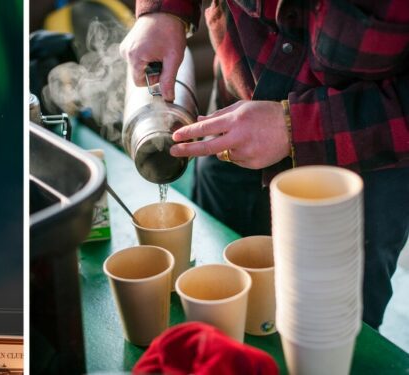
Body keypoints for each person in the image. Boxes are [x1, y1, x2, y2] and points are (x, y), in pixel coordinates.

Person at [120, 0, 409, 329]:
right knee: (212, 308)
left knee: (323, 338)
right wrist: (163, 11)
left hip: (361, 163)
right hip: (232, 116)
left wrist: (294, 127)